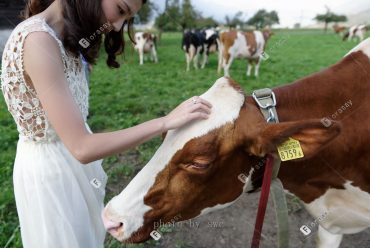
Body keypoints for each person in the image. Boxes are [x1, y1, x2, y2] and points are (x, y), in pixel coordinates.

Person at [0, 0, 212, 247]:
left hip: (72, 168)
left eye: (128, 18)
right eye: (121, 10)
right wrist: (164, 122)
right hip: (53, 176)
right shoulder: (37, 41)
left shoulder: (62, 37)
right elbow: (81, 147)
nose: (118, 26)